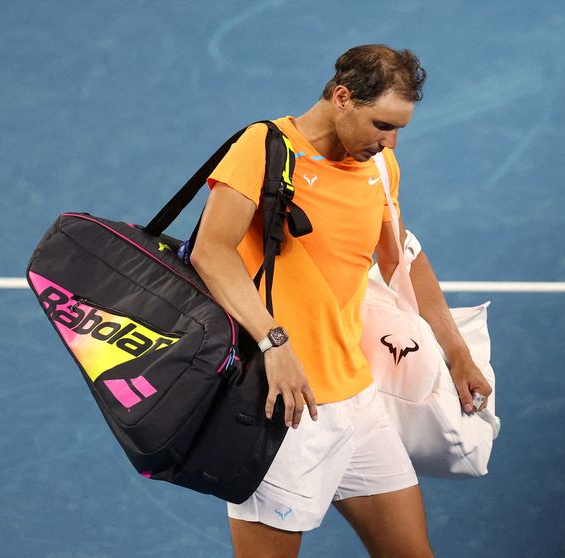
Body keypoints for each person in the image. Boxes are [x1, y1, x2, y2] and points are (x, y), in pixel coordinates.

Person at [190, 44, 492, 558]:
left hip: (357, 399)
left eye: (398, 128)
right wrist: (274, 342)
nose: (390, 141)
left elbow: (402, 260)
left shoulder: (380, 168)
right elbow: (210, 251)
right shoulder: (262, 147)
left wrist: (456, 351)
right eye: (381, 125)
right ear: (343, 97)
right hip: (279, 404)